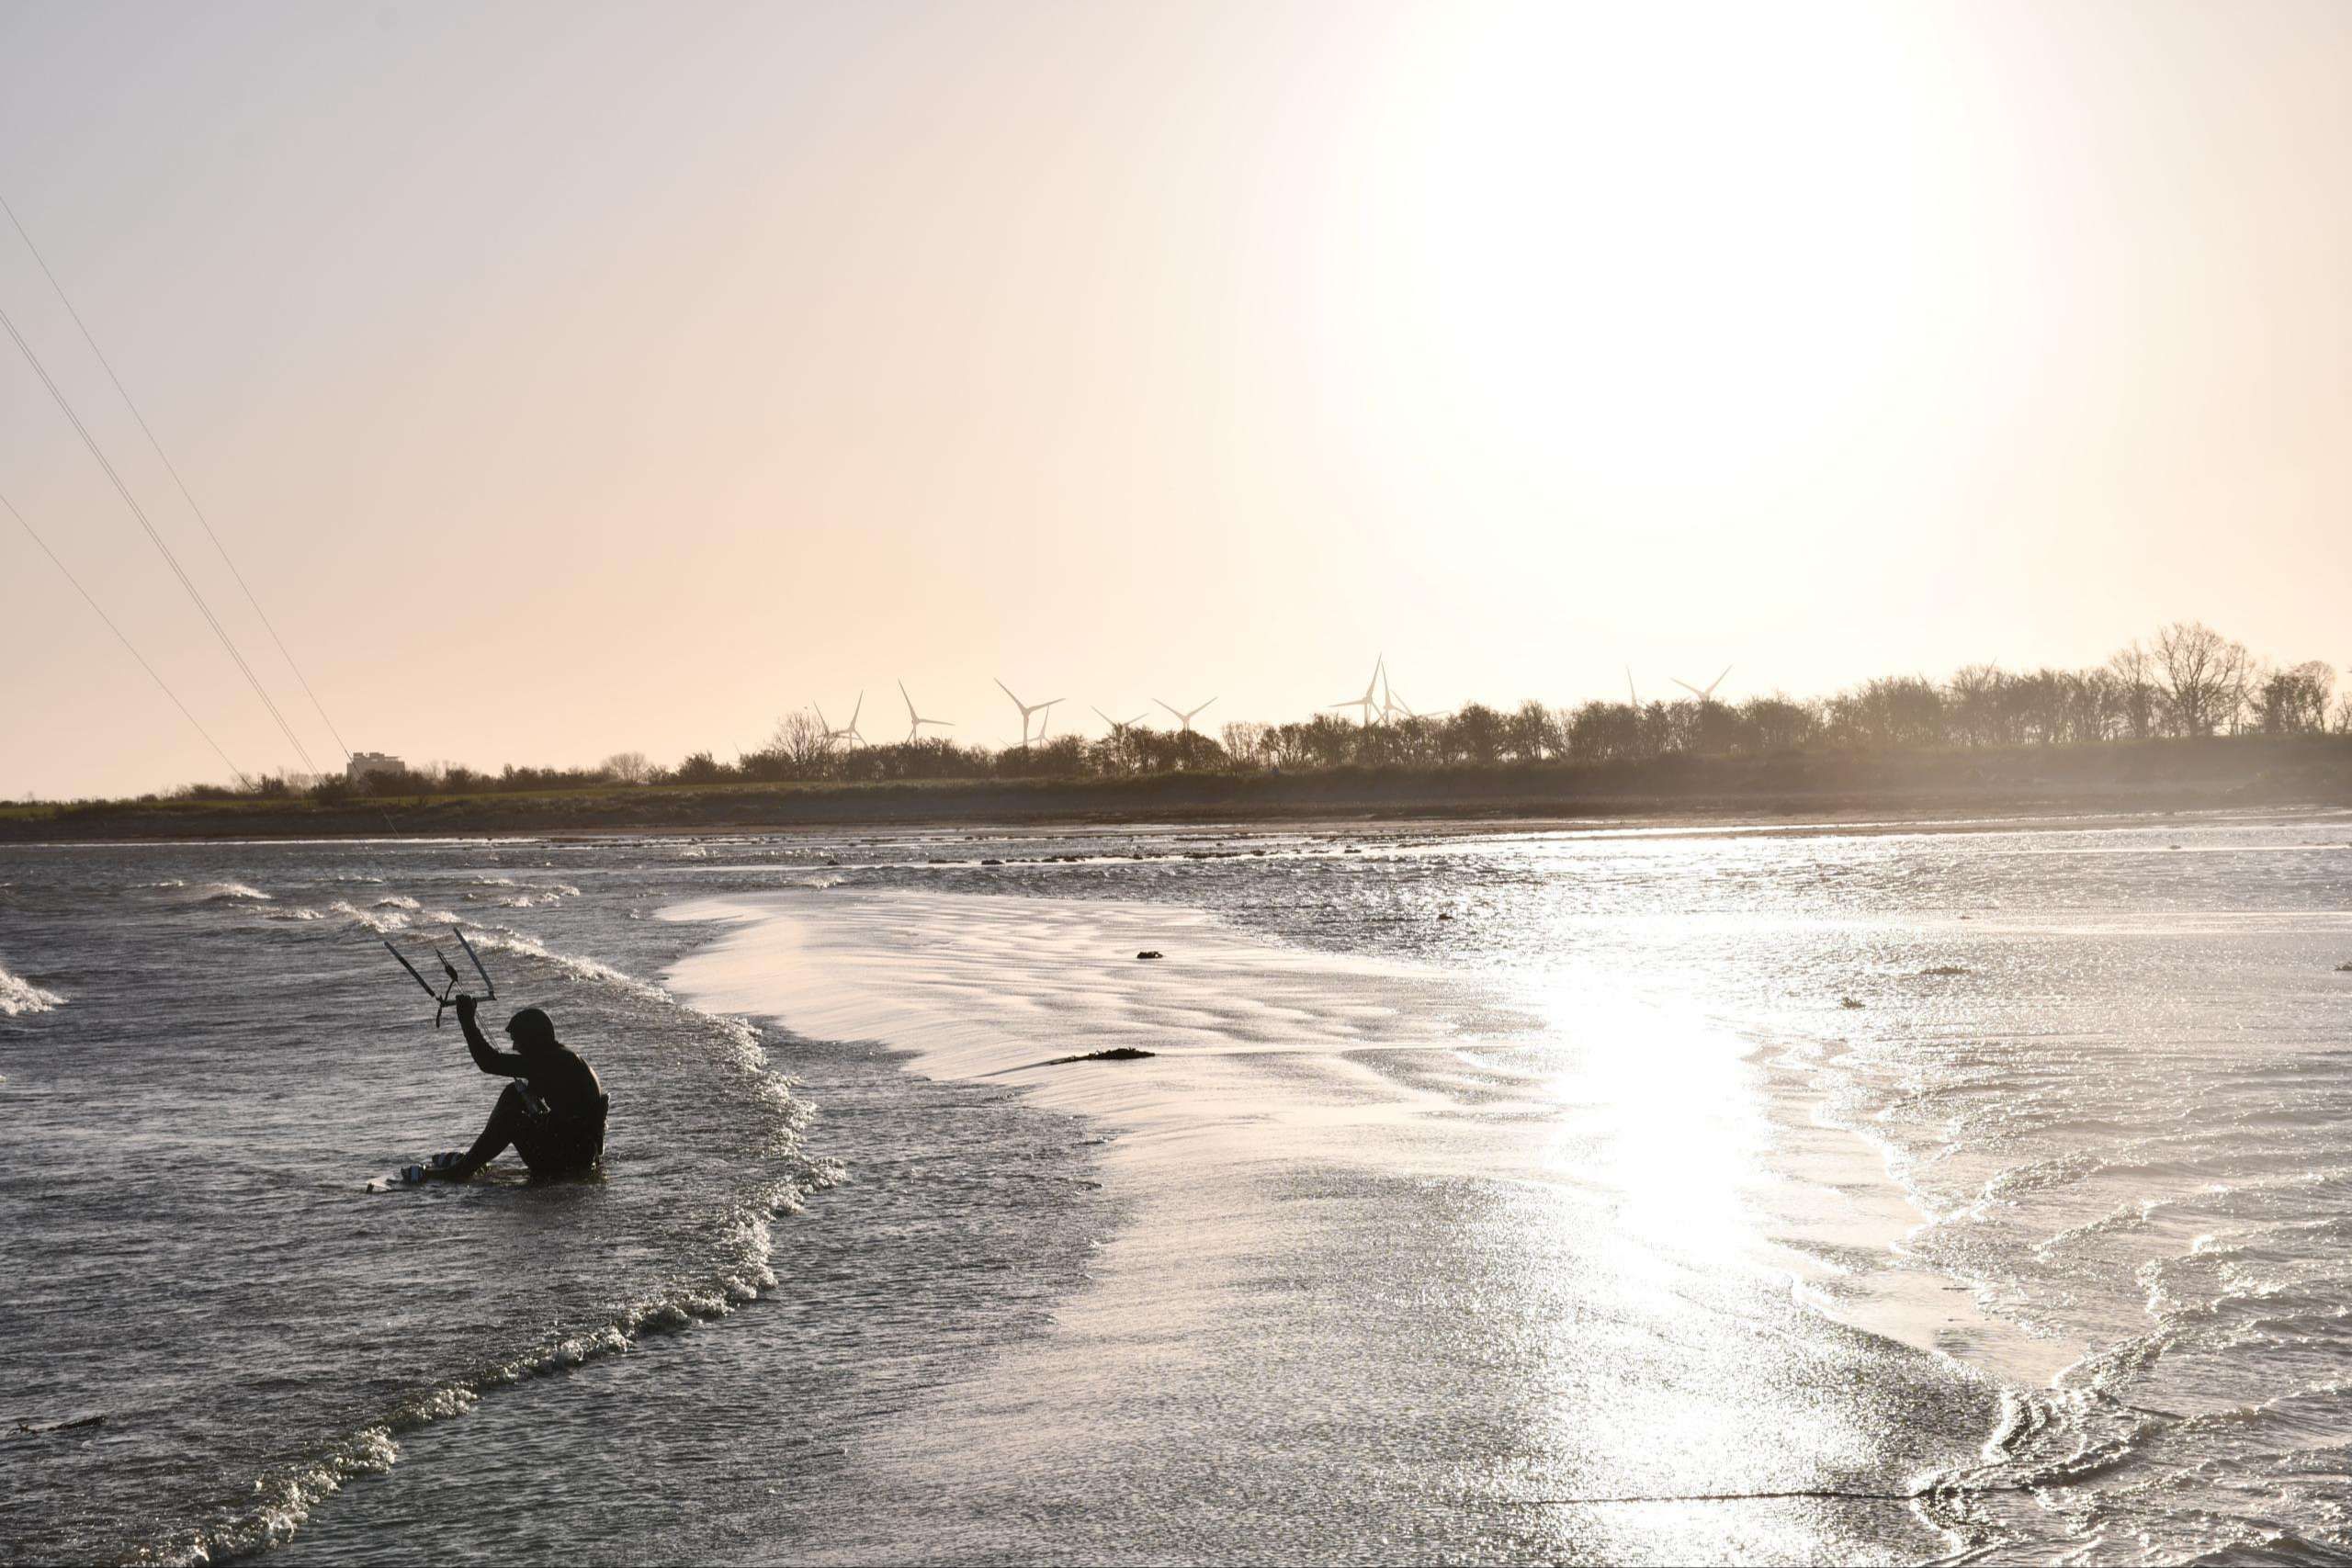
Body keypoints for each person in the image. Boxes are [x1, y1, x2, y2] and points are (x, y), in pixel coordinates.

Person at [428, 994, 608, 1179]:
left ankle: (461, 1171)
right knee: (514, 1093)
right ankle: (473, 1159)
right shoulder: (558, 1058)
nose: (514, 1047)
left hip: (568, 1161)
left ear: (534, 1040)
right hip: (570, 1147)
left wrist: (467, 1021)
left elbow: (488, 1062)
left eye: (518, 1040)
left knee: (510, 1120)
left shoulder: (551, 1061)